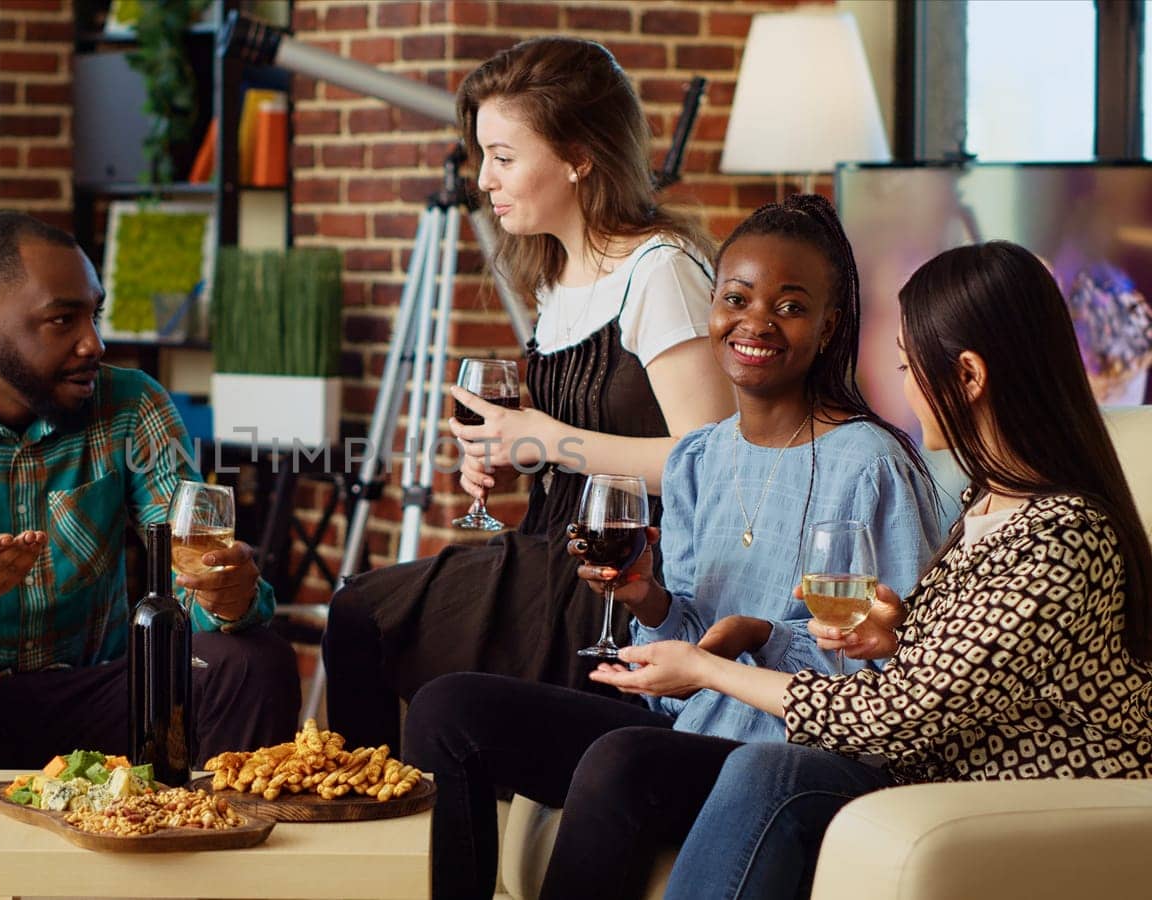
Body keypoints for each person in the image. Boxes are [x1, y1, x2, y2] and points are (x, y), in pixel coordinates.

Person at [402, 194, 950, 900]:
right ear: (713, 307)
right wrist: (647, 597)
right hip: (696, 725)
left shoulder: (872, 463)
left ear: (828, 326)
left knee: (624, 759)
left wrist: (756, 640)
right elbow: (688, 631)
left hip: (791, 753)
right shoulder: (699, 457)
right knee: (449, 712)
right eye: (737, 298)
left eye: (789, 306)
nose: (756, 323)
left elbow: (905, 663)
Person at [595, 241, 1152, 900]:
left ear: (968, 376)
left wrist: (706, 669)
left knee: (768, 772)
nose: (906, 388)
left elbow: (896, 712)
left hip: (1031, 805)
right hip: (940, 782)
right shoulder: (991, 503)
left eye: (910, 367)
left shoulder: (1062, 537)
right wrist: (901, 636)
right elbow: (990, 667)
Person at [0, 212, 300, 900]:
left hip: (102, 700)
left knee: (250, 659)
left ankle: (216, 888)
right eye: (61, 321)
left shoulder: (133, 407)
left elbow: (196, 575)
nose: (92, 343)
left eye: (94, 316)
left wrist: (226, 595)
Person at [322, 36, 736, 752]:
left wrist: (551, 441)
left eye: (504, 157)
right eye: (484, 155)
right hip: (550, 547)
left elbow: (717, 464)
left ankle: (377, 819)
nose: (483, 179)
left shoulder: (658, 273)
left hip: (631, 578)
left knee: (363, 618)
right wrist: (522, 459)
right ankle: (374, 821)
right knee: (360, 616)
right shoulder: (556, 276)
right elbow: (579, 436)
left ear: (579, 156)